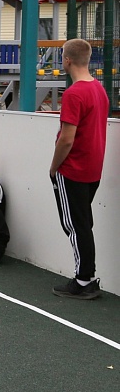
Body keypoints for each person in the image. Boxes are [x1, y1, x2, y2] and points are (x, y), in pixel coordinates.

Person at [49, 38, 109, 299]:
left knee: (75, 225)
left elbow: (67, 138)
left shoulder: (74, 93)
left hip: (73, 168)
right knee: (83, 224)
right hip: (92, 168)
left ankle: (84, 279)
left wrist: (53, 168)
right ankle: (87, 276)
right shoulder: (99, 88)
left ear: (67, 60)